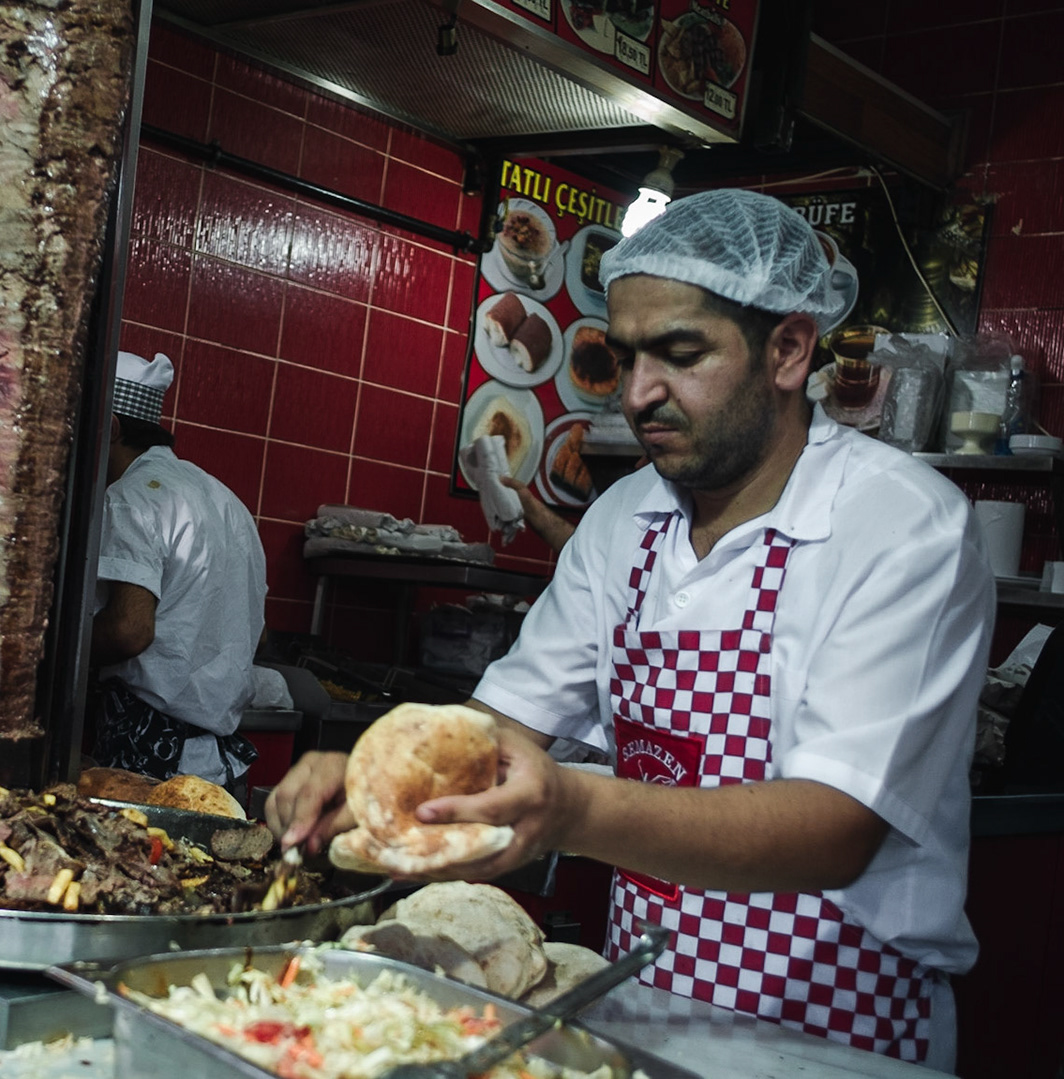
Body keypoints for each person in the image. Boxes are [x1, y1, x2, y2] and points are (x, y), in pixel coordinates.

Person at [266, 189, 990, 1069]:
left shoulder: (899, 523)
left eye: (681, 354)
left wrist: (575, 805)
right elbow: (507, 727)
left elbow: (836, 825)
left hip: (837, 1029)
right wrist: (387, 781)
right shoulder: (623, 520)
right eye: (627, 355)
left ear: (790, 349)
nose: (640, 393)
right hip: (633, 1003)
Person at [91, 351, 268, 786]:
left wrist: (52, 649)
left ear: (111, 428)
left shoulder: (131, 496)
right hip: (212, 762)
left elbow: (129, 629)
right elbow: (252, 629)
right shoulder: (225, 498)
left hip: (146, 755)